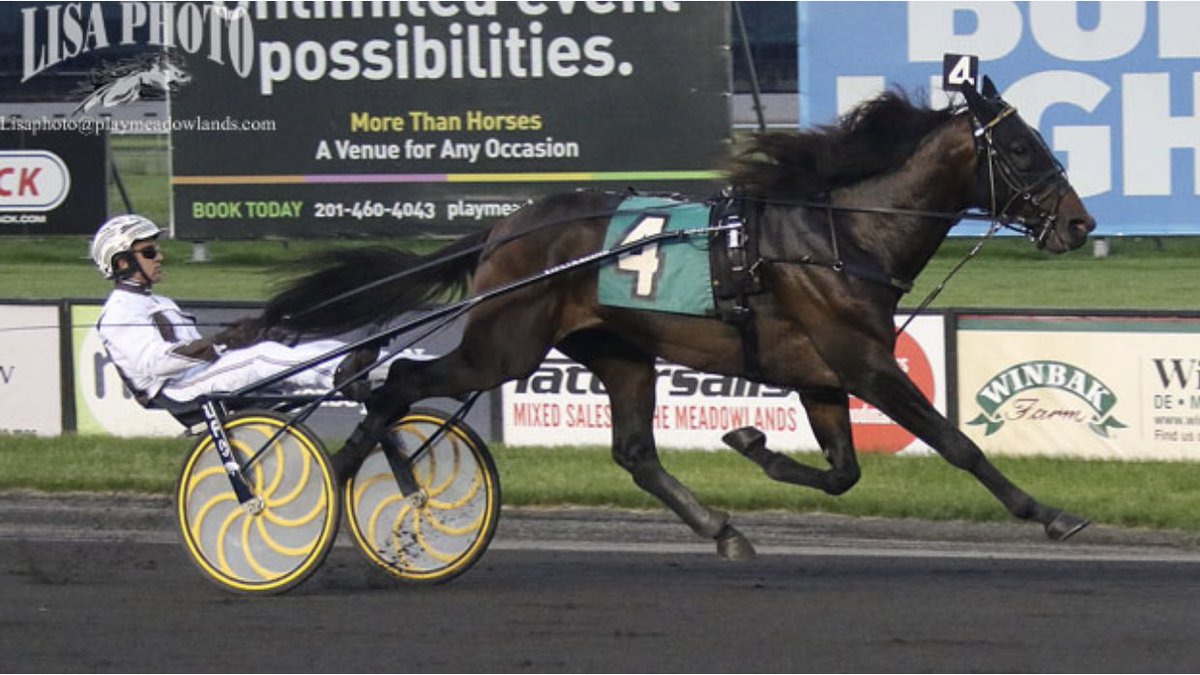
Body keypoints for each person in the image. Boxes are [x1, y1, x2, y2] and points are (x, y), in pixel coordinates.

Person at [91, 214, 378, 408]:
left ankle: (389, 368)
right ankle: (341, 376)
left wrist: (249, 335)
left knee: (301, 345)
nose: (160, 257)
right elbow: (157, 365)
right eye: (150, 252)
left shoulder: (160, 302)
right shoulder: (118, 313)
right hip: (178, 390)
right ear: (121, 263)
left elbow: (199, 349)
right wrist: (224, 341)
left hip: (201, 374)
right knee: (262, 358)